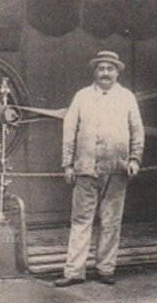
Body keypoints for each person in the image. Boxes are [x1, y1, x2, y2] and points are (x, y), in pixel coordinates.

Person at [53, 50, 144, 287]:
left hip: (117, 170)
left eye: (110, 69)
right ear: (95, 72)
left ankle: (106, 269)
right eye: (101, 68)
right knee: (81, 220)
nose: (105, 73)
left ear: (117, 72)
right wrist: (67, 163)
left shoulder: (127, 98)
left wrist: (135, 159)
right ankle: (74, 272)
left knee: (111, 221)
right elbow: (69, 131)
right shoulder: (82, 97)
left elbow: (137, 131)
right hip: (85, 169)